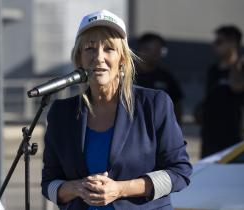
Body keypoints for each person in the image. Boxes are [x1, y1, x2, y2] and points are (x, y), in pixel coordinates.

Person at [41, 10, 192, 210]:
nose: (99, 57)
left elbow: (180, 172)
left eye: (109, 48)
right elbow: (49, 184)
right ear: (79, 58)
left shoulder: (154, 104)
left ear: (122, 58)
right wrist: (76, 188)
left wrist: (121, 189)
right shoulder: (61, 113)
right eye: (89, 48)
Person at [199, 25, 244, 157]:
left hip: (233, 136)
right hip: (210, 135)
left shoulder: (241, 68)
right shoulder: (213, 69)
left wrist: (236, 67)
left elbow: (237, 87)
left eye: (219, 42)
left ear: (232, 43)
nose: (214, 45)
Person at [134, 33, 184, 124]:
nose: (158, 54)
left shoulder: (166, 77)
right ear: (142, 49)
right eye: (155, 50)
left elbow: (177, 105)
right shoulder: (125, 75)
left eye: (161, 50)